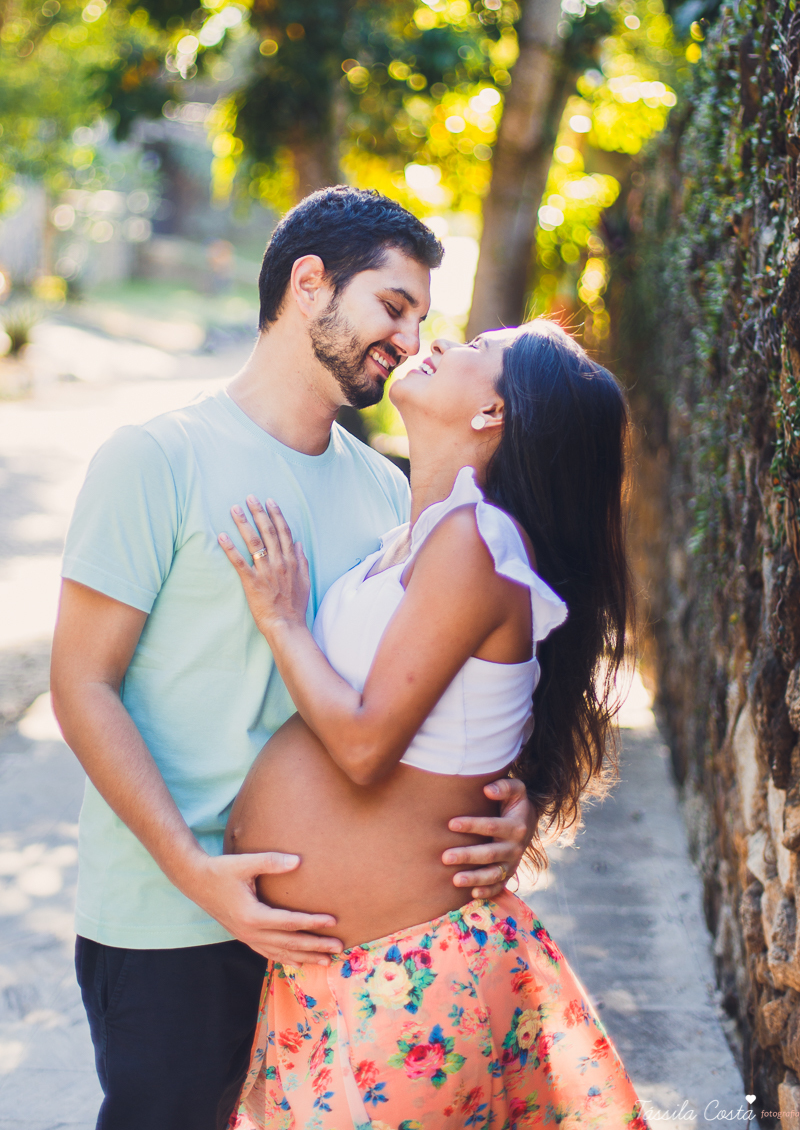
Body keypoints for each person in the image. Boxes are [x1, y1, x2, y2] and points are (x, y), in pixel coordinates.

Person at [49, 187, 538, 1130]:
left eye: (421, 321)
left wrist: (505, 802)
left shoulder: (384, 494)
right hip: (171, 918)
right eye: (392, 307)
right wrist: (193, 871)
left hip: (337, 936)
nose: (406, 339)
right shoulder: (157, 458)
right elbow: (81, 687)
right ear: (308, 283)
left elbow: (422, 695)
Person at [219, 321, 647, 1129]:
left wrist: (281, 619)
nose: (445, 339)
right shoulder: (412, 540)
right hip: (342, 976)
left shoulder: (475, 542)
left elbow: (362, 743)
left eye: (481, 349)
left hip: (404, 976)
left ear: (493, 413)